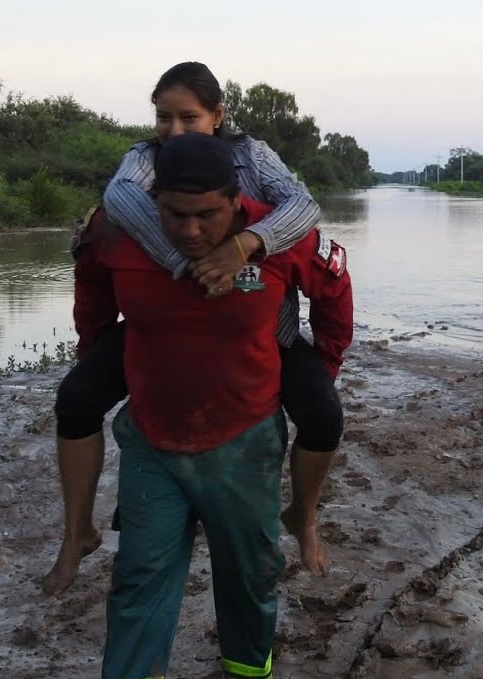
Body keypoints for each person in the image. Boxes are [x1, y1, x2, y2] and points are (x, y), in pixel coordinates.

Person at [75, 132, 353, 679]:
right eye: (175, 214)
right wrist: (95, 349)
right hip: (153, 439)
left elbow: (333, 287)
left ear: (238, 202)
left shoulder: (278, 233)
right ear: (153, 204)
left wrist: (319, 367)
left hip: (244, 441)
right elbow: (91, 283)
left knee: (251, 575)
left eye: (207, 215)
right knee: (139, 579)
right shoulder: (119, 230)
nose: (191, 231)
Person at [45, 62, 337, 596]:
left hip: (258, 323)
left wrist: (243, 246)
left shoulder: (250, 154)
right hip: (161, 324)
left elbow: (304, 207)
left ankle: (305, 517)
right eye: (163, 117)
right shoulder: (143, 160)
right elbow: (121, 202)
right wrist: (190, 266)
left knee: (322, 414)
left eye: (189, 117)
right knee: (76, 401)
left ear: (218, 116)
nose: (174, 130)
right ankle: (76, 532)